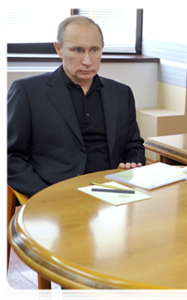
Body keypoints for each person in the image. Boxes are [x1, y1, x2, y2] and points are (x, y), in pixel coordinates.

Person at [5, 15, 146, 300]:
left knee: (149, 258)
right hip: (58, 201)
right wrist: (45, 195)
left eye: (94, 50)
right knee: (89, 282)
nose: (87, 60)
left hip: (114, 199)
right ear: (58, 49)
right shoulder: (28, 91)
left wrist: (133, 163)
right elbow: (9, 156)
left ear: (103, 48)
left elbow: (134, 145)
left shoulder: (121, 93)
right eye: (77, 50)